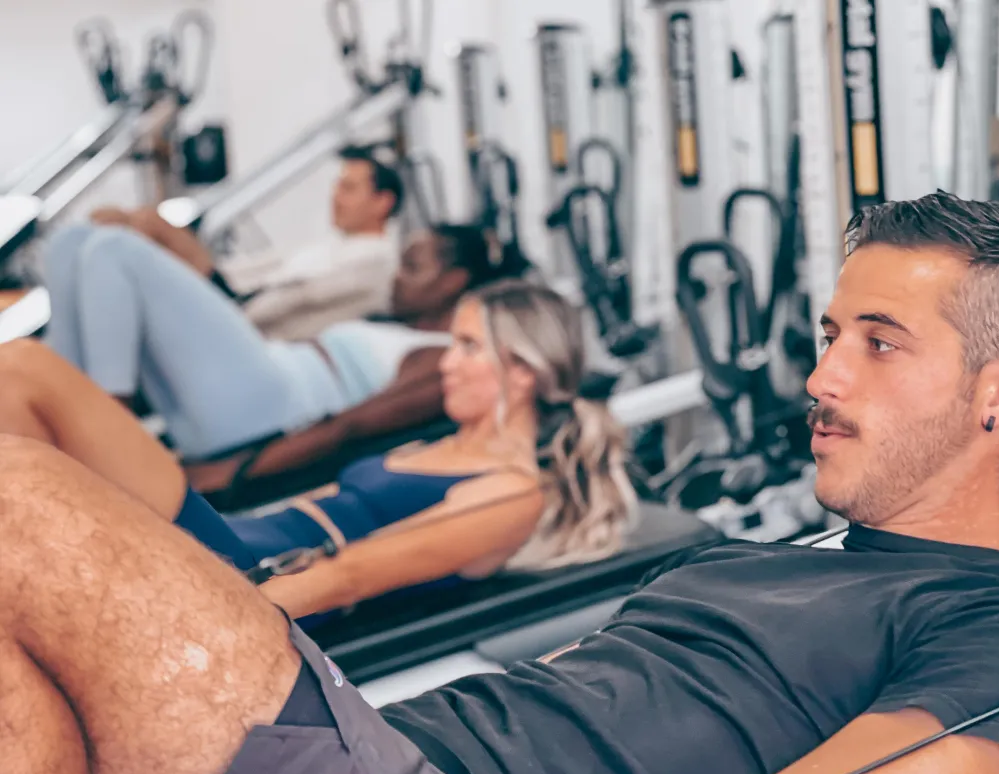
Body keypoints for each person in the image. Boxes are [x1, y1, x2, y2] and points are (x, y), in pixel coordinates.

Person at [0, 193, 999, 774]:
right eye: (831, 335)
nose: (822, 377)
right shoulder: (739, 562)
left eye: (880, 342)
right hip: (374, 739)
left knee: (15, 490)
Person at [0, 279, 633, 624]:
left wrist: (207, 616)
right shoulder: (442, 443)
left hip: (237, 569)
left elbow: (350, 575)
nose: (446, 362)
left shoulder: (511, 491)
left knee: (25, 370)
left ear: (522, 371)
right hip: (233, 537)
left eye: (468, 347)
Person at [40, 222, 509, 460]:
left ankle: (104, 430)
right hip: (246, 388)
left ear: (454, 281)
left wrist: (236, 472)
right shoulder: (397, 327)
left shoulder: (442, 355)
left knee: (113, 250)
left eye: (412, 267)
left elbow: (352, 427)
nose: (397, 277)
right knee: (70, 242)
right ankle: (55, 427)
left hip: (267, 408)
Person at [79, 145, 406, 341]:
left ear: (383, 202)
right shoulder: (330, 244)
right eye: (337, 186)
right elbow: (263, 269)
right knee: (126, 221)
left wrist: (222, 311)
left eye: (348, 189)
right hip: (234, 296)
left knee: (149, 223)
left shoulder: (377, 259)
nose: (335, 197)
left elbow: (295, 302)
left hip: (241, 316)